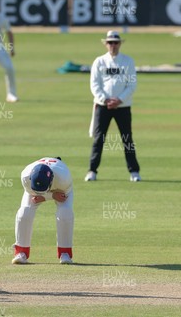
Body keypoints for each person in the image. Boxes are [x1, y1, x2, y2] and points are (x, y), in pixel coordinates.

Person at [86, 30, 140, 182]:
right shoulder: (99, 61)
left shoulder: (128, 61)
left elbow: (132, 85)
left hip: (122, 107)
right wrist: (106, 100)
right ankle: (92, 170)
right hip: (103, 106)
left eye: (116, 43)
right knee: (99, 139)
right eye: (110, 43)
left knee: (127, 138)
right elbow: (94, 84)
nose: (113, 46)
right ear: (106, 44)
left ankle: (134, 171)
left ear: (120, 44)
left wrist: (119, 100)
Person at [12, 157, 74, 265]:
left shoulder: (64, 179)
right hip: (35, 191)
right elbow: (32, 194)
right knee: (24, 212)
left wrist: (49, 196)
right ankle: (21, 253)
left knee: (65, 213)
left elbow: (63, 195)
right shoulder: (25, 177)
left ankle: (65, 253)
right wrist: (46, 196)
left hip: (59, 188)